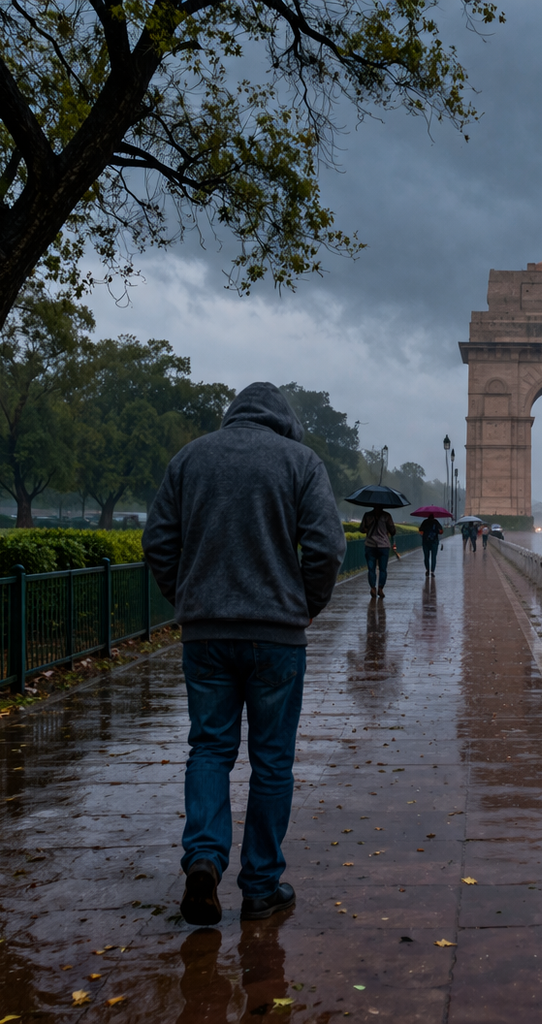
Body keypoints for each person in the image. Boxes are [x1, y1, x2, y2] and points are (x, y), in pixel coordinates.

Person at [143, 382, 345, 927]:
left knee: (209, 749)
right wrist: (306, 605)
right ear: (284, 421)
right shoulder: (300, 461)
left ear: (234, 414)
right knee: (272, 761)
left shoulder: (190, 457)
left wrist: (189, 601)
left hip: (205, 635)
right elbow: (327, 546)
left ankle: (204, 858)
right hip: (277, 635)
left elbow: (158, 541)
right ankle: (260, 886)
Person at [361, 505, 394, 597]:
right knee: (383, 569)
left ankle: (372, 588)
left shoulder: (367, 515)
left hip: (370, 545)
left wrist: (369, 528)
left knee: (371, 569)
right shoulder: (387, 516)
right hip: (383, 546)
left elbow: (362, 529)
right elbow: (393, 531)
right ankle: (380, 588)